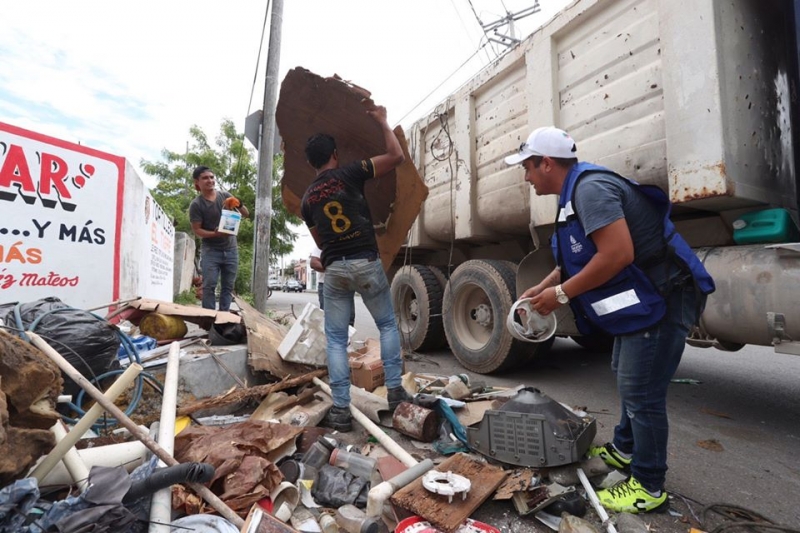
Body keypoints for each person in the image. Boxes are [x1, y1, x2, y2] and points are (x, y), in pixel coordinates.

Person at [505, 126, 715, 514]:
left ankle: (648, 486)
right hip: (645, 296)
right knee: (625, 371)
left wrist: (561, 295)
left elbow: (617, 254)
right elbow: (580, 256)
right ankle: (624, 449)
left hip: (665, 294)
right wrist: (544, 286)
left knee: (642, 390)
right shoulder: (571, 196)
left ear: (546, 163)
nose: (526, 176)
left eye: (528, 167)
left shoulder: (590, 190)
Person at [300, 103, 411, 432]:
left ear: (311, 163)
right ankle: (395, 392)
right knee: (387, 325)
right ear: (335, 154)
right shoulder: (351, 173)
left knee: (336, 340)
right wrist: (383, 121)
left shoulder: (307, 199)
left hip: (335, 269)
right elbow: (395, 156)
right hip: (366, 261)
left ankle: (340, 409)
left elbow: (321, 242)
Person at [188, 166, 249, 312]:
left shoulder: (225, 196)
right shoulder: (196, 204)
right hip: (211, 251)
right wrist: (215, 234)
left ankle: (224, 318)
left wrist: (238, 203)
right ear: (197, 182)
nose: (210, 180)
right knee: (209, 286)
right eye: (205, 178)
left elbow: (246, 213)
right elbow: (197, 230)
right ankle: (209, 319)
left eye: (211, 177)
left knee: (228, 287)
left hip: (231, 249)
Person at [310, 244, 355, 327]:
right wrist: (335, 271)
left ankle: (347, 335)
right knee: (328, 318)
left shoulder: (348, 243)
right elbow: (314, 263)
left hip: (345, 285)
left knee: (349, 319)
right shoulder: (323, 244)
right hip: (326, 285)